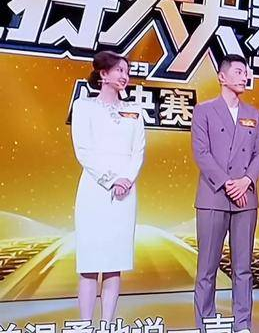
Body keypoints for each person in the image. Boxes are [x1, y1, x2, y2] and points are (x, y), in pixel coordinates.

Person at [192, 54, 259, 333]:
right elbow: (201, 153)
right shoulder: (204, 110)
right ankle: (206, 323)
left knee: (243, 268)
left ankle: (242, 324)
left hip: (246, 198)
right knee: (207, 268)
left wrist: (245, 180)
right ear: (222, 77)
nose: (244, 77)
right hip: (213, 197)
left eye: (245, 72)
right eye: (238, 72)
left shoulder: (254, 114)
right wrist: (227, 183)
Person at [71, 50, 145, 322]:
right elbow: (83, 150)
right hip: (94, 189)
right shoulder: (84, 106)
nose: (124, 76)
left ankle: (107, 324)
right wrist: (111, 179)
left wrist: (126, 179)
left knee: (115, 263)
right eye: (119, 70)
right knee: (90, 263)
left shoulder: (134, 111)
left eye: (127, 71)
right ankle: (85, 324)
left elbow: (138, 151)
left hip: (125, 193)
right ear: (103, 74)